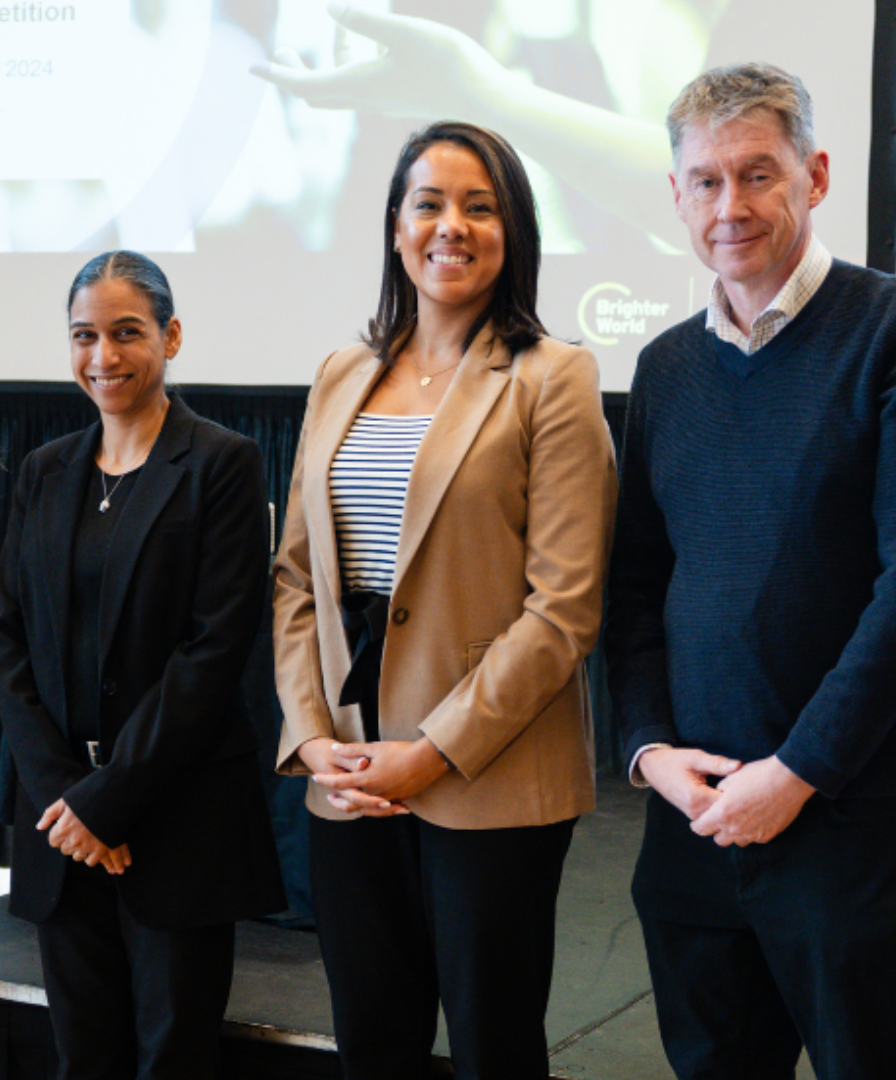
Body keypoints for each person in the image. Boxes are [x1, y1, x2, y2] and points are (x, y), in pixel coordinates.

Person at [606, 63, 896, 1080]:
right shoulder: (664, 370)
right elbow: (636, 588)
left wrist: (799, 773)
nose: (730, 206)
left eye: (758, 175)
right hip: (695, 822)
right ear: (677, 198)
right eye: (705, 181)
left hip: (856, 822)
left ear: (816, 176)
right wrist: (648, 751)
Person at [273, 122, 617, 1079]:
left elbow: (565, 610)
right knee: (372, 1044)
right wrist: (310, 738)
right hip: (348, 771)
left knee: (493, 1050)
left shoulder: (555, 378)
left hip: (488, 773)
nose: (450, 226)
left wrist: (430, 754)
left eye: (480, 205)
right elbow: (297, 579)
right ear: (394, 227)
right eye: (428, 203)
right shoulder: (344, 372)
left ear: (514, 232)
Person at [0, 251, 286, 1080]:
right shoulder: (45, 470)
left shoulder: (223, 462)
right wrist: (67, 799)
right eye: (84, 336)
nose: (103, 357)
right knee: (83, 1057)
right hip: (63, 828)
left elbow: (216, 651)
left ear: (172, 336)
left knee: (172, 1058)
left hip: (177, 819)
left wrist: (109, 802)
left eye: (127, 333)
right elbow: (6, 637)